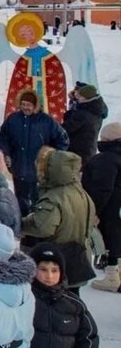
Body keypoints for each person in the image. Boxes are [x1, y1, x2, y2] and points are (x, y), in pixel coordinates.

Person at [21, 147, 96, 291]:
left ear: (51, 169)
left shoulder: (54, 197)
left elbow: (43, 227)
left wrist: (23, 224)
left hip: (57, 258)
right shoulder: (81, 192)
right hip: (78, 256)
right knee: (71, 298)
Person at [0, 89, 70, 215]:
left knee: (39, 201)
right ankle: (22, 221)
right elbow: (3, 138)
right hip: (18, 168)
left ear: (36, 105)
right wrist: (7, 153)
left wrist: (51, 157)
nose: (25, 107)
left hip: (39, 171)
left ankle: (39, 223)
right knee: (20, 201)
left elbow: (62, 140)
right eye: (23, 104)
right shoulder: (13, 119)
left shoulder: (46, 121)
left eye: (29, 105)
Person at [27, 243, 100, 348]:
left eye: (54, 270)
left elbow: (89, 337)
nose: (49, 276)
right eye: (43, 269)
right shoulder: (24, 299)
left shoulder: (74, 304)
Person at [84, 122, 121, 292]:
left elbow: (101, 188)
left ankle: (112, 277)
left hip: (109, 208)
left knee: (111, 238)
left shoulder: (105, 160)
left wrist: (94, 211)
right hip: (117, 207)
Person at [63, 84, 108, 165]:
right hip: (89, 150)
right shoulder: (97, 110)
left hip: (77, 151)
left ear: (86, 98)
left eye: (79, 97)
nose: (78, 99)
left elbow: (65, 128)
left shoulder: (83, 114)